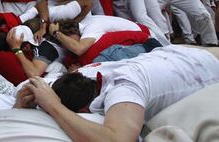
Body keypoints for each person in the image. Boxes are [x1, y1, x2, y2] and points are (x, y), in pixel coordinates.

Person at [16, 45, 219, 142]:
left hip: (206, 66)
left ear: (85, 110)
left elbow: (119, 140)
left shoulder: (124, 89)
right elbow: (36, 83)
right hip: (177, 52)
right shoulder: (82, 74)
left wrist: (55, 107)